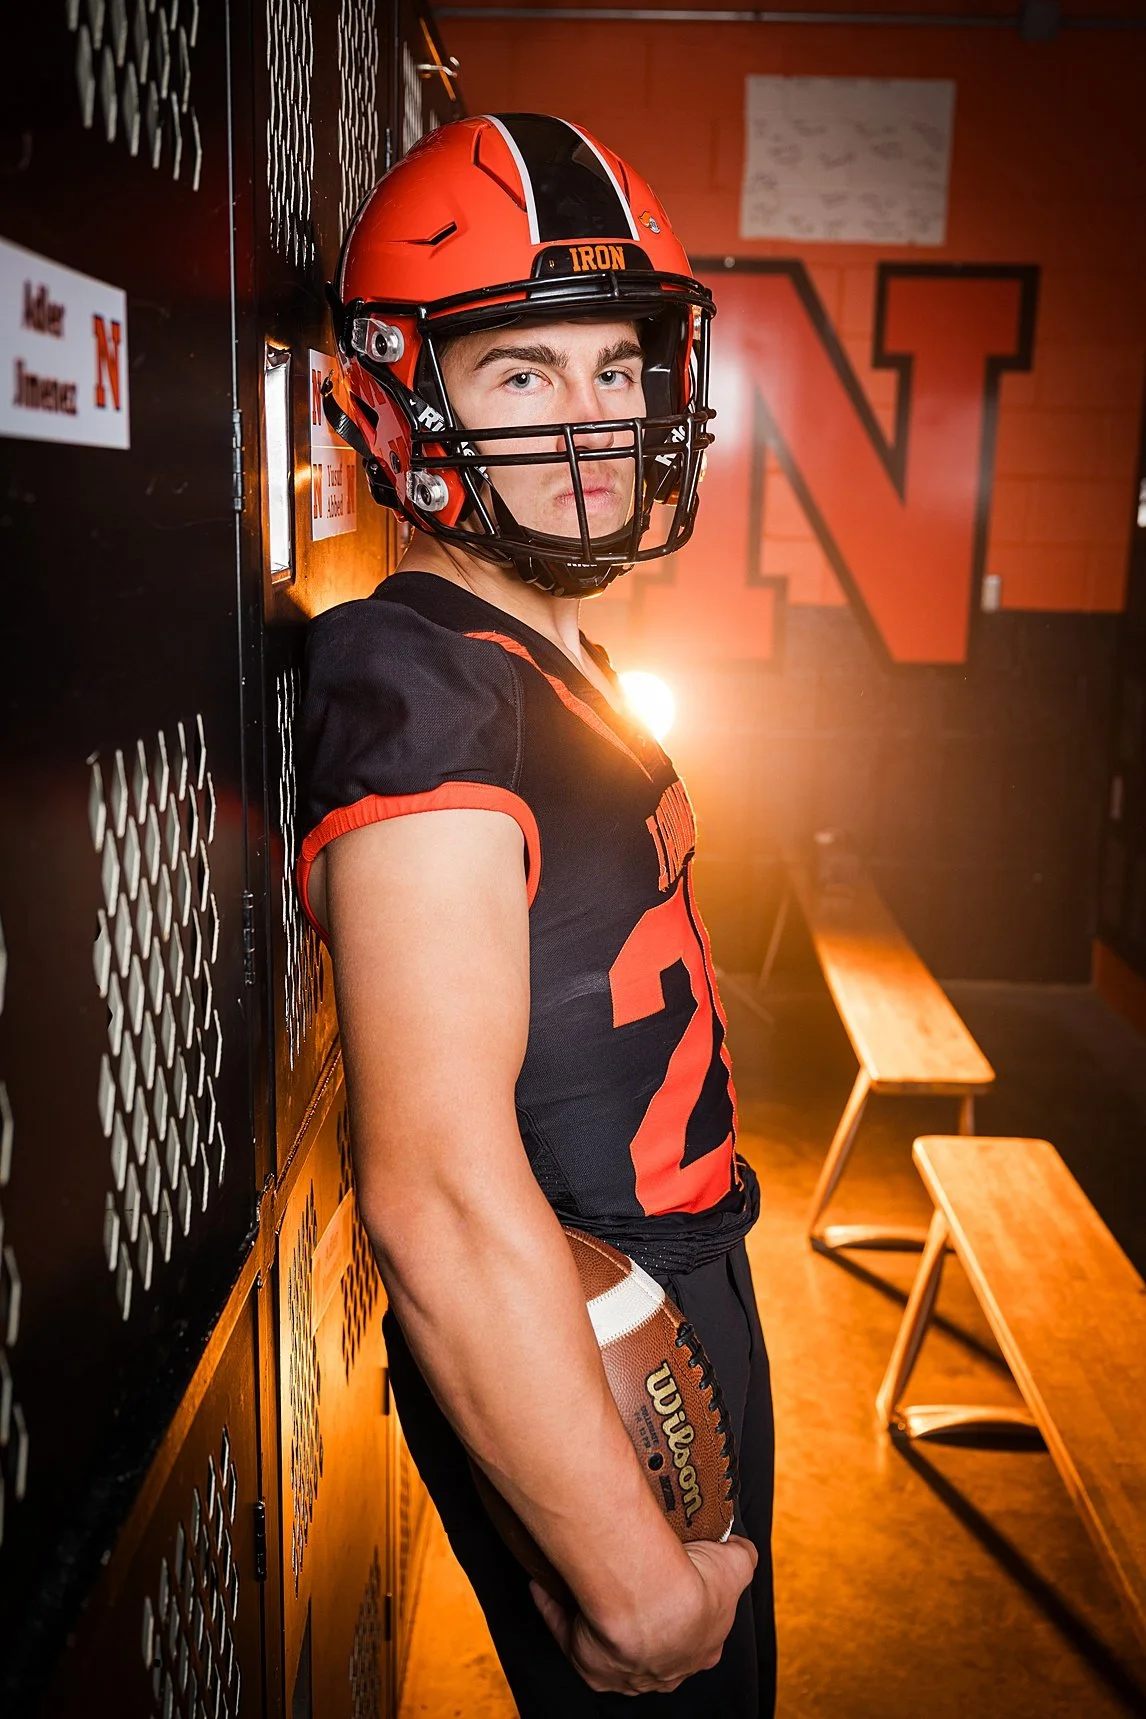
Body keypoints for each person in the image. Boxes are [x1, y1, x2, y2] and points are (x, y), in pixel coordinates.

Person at [297, 113, 776, 1716]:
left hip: (679, 1258)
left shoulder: (544, 643)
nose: (589, 423)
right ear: (404, 396)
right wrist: (634, 1590)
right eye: (521, 373)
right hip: (581, 1307)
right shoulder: (419, 674)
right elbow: (432, 1189)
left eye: (615, 368)